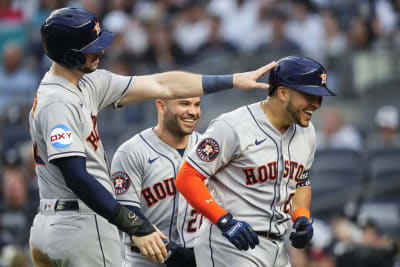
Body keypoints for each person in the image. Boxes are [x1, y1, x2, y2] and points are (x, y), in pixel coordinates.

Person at [28, 7, 277, 267]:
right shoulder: (57, 101)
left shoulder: (86, 83)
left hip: (61, 221)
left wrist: (233, 79)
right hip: (79, 223)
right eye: (92, 47)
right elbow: (76, 176)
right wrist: (136, 226)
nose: (101, 51)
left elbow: (164, 85)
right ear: (69, 55)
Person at [176, 55, 336, 267]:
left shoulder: (307, 132)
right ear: (283, 93)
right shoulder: (233, 126)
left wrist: (301, 216)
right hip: (230, 245)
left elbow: (300, 183)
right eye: (309, 95)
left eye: (319, 97)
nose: (316, 104)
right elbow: (187, 177)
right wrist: (225, 221)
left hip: (277, 248)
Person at [111, 96, 202, 267]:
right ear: (161, 105)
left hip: (200, 257)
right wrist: (170, 252)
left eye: (197, 104)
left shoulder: (207, 148)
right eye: (184, 104)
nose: (193, 111)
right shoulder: (132, 152)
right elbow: (124, 212)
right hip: (146, 261)